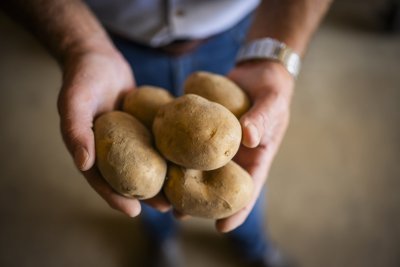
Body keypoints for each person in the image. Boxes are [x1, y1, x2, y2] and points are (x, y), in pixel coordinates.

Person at [2, 1, 332, 266]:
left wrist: (276, 60)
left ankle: (255, 247)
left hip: (233, 32)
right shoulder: (137, 110)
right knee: (147, 195)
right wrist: (81, 45)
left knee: (247, 175)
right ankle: (161, 242)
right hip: (109, 38)